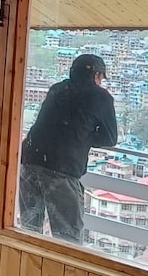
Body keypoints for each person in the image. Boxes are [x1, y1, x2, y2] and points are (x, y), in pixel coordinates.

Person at [19, 53, 118, 242]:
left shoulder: (58, 89)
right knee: (67, 237)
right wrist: (83, 137)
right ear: (97, 75)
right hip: (62, 167)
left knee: (29, 228)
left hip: (30, 159)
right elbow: (110, 138)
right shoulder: (101, 97)